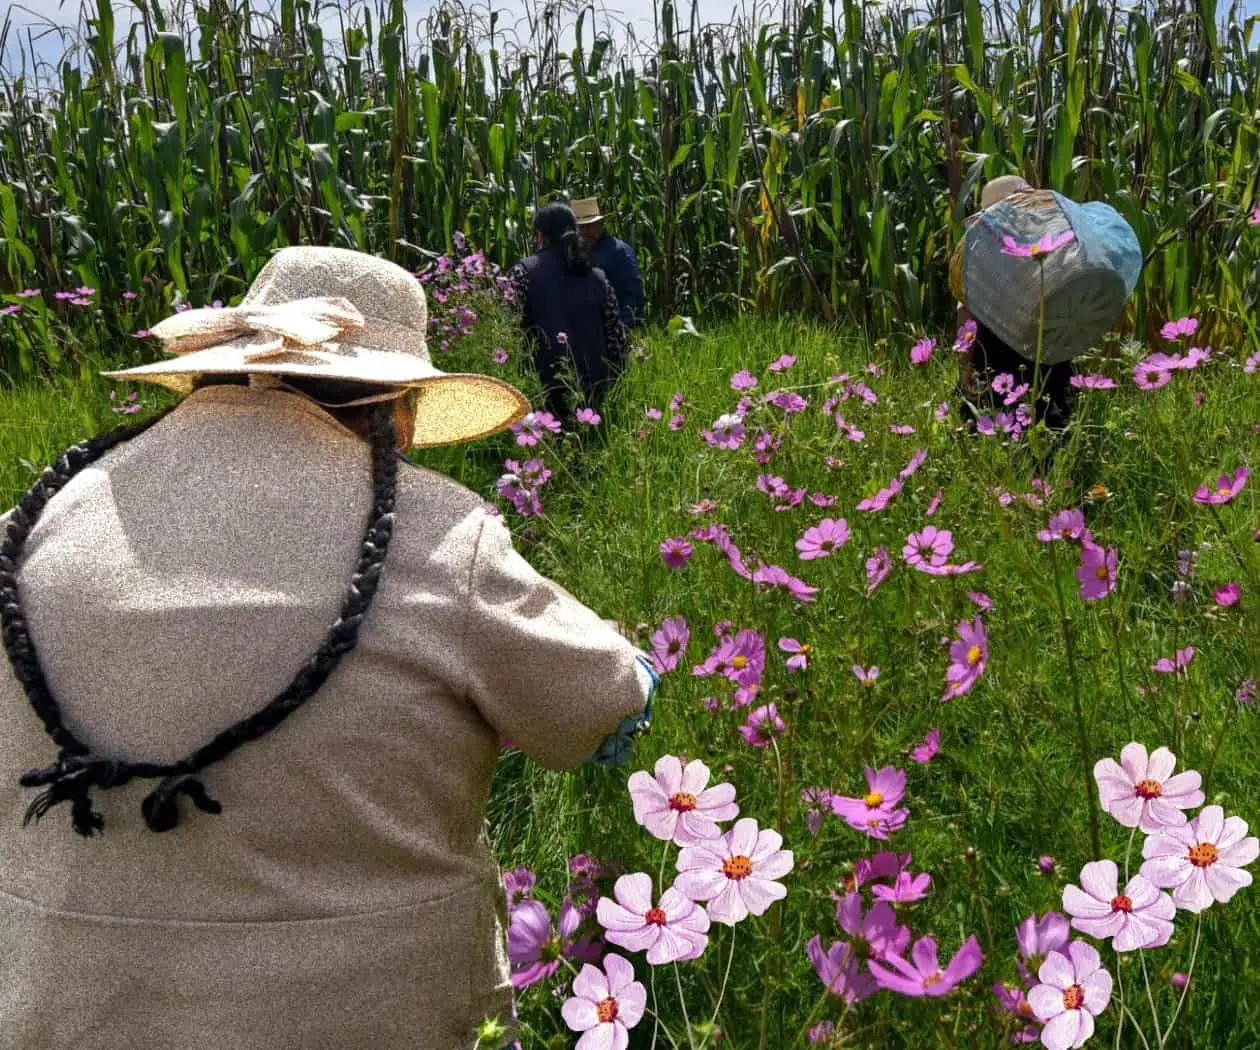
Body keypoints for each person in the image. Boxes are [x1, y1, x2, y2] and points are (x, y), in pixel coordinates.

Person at [0, 246, 658, 1049]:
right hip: (373, 1017)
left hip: (65, 1014)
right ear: (399, 410)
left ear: (211, 375)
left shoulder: (34, 528)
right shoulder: (435, 537)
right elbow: (600, 711)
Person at [951, 175, 1142, 431]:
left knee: (997, 427)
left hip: (995, 368)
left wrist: (965, 374)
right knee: (1054, 424)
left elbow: (966, 325)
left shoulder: (979, 268)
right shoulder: (1056, 257)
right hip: (1052, 364)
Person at [507, 201, 629, 425]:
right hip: (592, 397)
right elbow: (616, 341)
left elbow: (507, 332)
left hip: (541, 395)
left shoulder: (523, 272)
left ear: (540, 235)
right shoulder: (598, 277)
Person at [573, 196, 646, 330]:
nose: (584, 232)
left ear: (600, 224)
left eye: (589, 226)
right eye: (580, 227)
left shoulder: (620, 252)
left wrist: (619, 330)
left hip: (613, 329)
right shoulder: (573, 253)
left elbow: (633, 298)